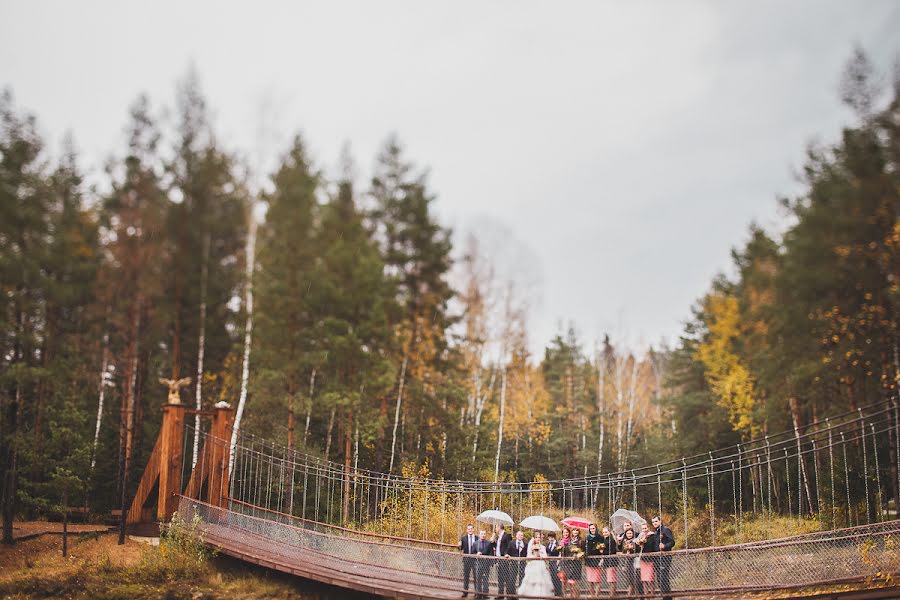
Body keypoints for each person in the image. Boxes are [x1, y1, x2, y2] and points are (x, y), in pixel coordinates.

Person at [651, 516, 675, 600]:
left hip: (664, 557)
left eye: (656, 521)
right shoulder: (655, 533)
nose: (654, 523)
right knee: (660, 579)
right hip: (657, 558)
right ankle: (665, 597)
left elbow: (672, 542)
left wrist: (665, 545)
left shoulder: (665, 530)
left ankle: (667, 598)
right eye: (653, 522)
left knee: (663, 577)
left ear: (660, 521)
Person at [561, 526, 584, 597]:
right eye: (574, 530)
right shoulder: (570, 540)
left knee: (576, 582)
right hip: (569, 563)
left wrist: (578, 555)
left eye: (577, 530)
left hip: (577, 563)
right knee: (570, 582)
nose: (575, 532)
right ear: (572, 532)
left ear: (579, 532)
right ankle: (571, 596)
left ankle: (577, 596)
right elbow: (567, 551)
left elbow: (583, 551)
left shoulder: (581, 541)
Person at [584, 524, 605, 597]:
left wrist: (601, 551)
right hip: (589, 560)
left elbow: (603, 547)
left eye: (593, 528)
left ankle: (596, 596)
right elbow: (585, 548)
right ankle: (592, 595)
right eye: (591, 529)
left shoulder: (600, 537)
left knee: (597, 580)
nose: (592, 530)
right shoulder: (587, 538)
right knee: (590, 580)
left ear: (596, 529)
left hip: (597, 560)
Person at [637, 522, 657, 595]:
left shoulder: (652, 536)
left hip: (650, 559)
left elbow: (654, 546)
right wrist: (640, 544)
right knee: (644, 579)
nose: (644, 530)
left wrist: (646, 542)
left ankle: (652, 594)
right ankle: (646, 594)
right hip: (643, 559)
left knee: (650, 579)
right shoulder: (640, 536)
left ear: (648, 528)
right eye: (643, 529)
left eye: (645, 528)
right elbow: (638, 548)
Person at [494, 525, 514, 599]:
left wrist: (506, 553)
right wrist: (492, 541)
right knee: (500, 578)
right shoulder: (497, 537)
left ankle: (509, 595)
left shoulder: (507, 536)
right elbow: (496, 547)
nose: (495, 529)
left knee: (507, 577)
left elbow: (509, 545)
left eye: (496, 527)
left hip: (505, 559)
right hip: (498, 559)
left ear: (499, 527)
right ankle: (500, 594)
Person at [475, 529, 495, 600]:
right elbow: (472, 552)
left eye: (484, 534)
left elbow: (491, 553)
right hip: (478, 564)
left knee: (486, 579)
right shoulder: (475, 543)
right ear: (479, 534)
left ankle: (485, 594)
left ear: (486, 535)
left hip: (486, 564)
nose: (483, 535)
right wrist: (476, 554)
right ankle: (478, 594)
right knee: (478, 579)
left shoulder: (488, 543)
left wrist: (490, 562)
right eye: (482, 534)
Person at [460, 524, 479, 597]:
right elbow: (461, 549)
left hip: (475, 559)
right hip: (466, 559)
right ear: (467, 530)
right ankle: (465, 592)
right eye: (469, 529)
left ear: (473, 529)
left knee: (476, 576)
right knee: (466, 576)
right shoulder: (463, 538)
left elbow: (479, 547)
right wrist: (459, 545)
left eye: (471, 529)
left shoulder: (477, 538)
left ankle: (476, 592)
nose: (470, 530)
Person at [619, 528, 639, 597]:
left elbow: (638, 550)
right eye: (627, 533)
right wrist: (623, 565)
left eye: (630, 533)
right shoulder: (624, 542)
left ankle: (632, 595)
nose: (629, 535)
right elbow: (622, 553)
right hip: (627, 563)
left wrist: (631, 549)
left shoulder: (636, 541)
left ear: (633, 534)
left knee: (636, 580)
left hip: (635, 562)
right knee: (629, 580)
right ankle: (630, 595)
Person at [600, 526, 618, 597]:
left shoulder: (611, 540)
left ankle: (612, 595)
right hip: (606, 561)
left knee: (612, 579)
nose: (605, 533)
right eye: (603, 532)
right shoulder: (603, 540)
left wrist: (603, 551)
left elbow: (613, 551)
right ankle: (611, 594)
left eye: (606, 532)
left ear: (609, 532)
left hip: (611, 561)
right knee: (609, 578)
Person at [545, 531, 562, 596]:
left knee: (556, 577)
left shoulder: (557, 544)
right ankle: (552, 591)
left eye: (552, 537)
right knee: (551, 577)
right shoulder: (548, 544)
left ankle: (558, 593)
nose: (550, 539)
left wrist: (558, 561)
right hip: (549, 562)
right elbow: (547, 551)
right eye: (549, 537)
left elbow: (559, 554)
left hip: (556, 562)